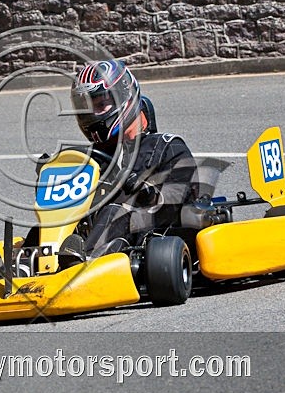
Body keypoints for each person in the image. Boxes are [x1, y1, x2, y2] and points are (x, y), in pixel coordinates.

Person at [59, 59, 198, 265]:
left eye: (100, 104)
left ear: (125, 98)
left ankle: (84, 264)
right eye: (86, 108)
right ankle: (20, 264)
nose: (92, 115)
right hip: (94, 235)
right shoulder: (90, 159)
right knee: (60, 221)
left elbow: (184, 198)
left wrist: (146, 190)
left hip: (151, 242)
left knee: (115, 212)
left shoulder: (166, 147)